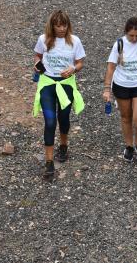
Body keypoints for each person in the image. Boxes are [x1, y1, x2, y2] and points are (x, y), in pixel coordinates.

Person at [33, 10, 86, 180]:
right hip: (48, 83)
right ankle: (49, 163)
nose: (61, 29)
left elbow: (80, 63)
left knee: (63, 118)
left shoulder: (75, 41)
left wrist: (73, 69)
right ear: (52, 26)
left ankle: (63, 145)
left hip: (65, 85)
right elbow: (37, 56)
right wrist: (37, 65)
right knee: (50, 121)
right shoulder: (43, 39)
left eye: (64, 25)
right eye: (58, 26)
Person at [103, 17, 137, 163]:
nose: (134, 39)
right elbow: (111, 66)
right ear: (126, 33)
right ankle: (129, 146)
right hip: (122, 84)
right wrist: (107, 89)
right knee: (126, 117)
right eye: (131, 35)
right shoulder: (119, 44)